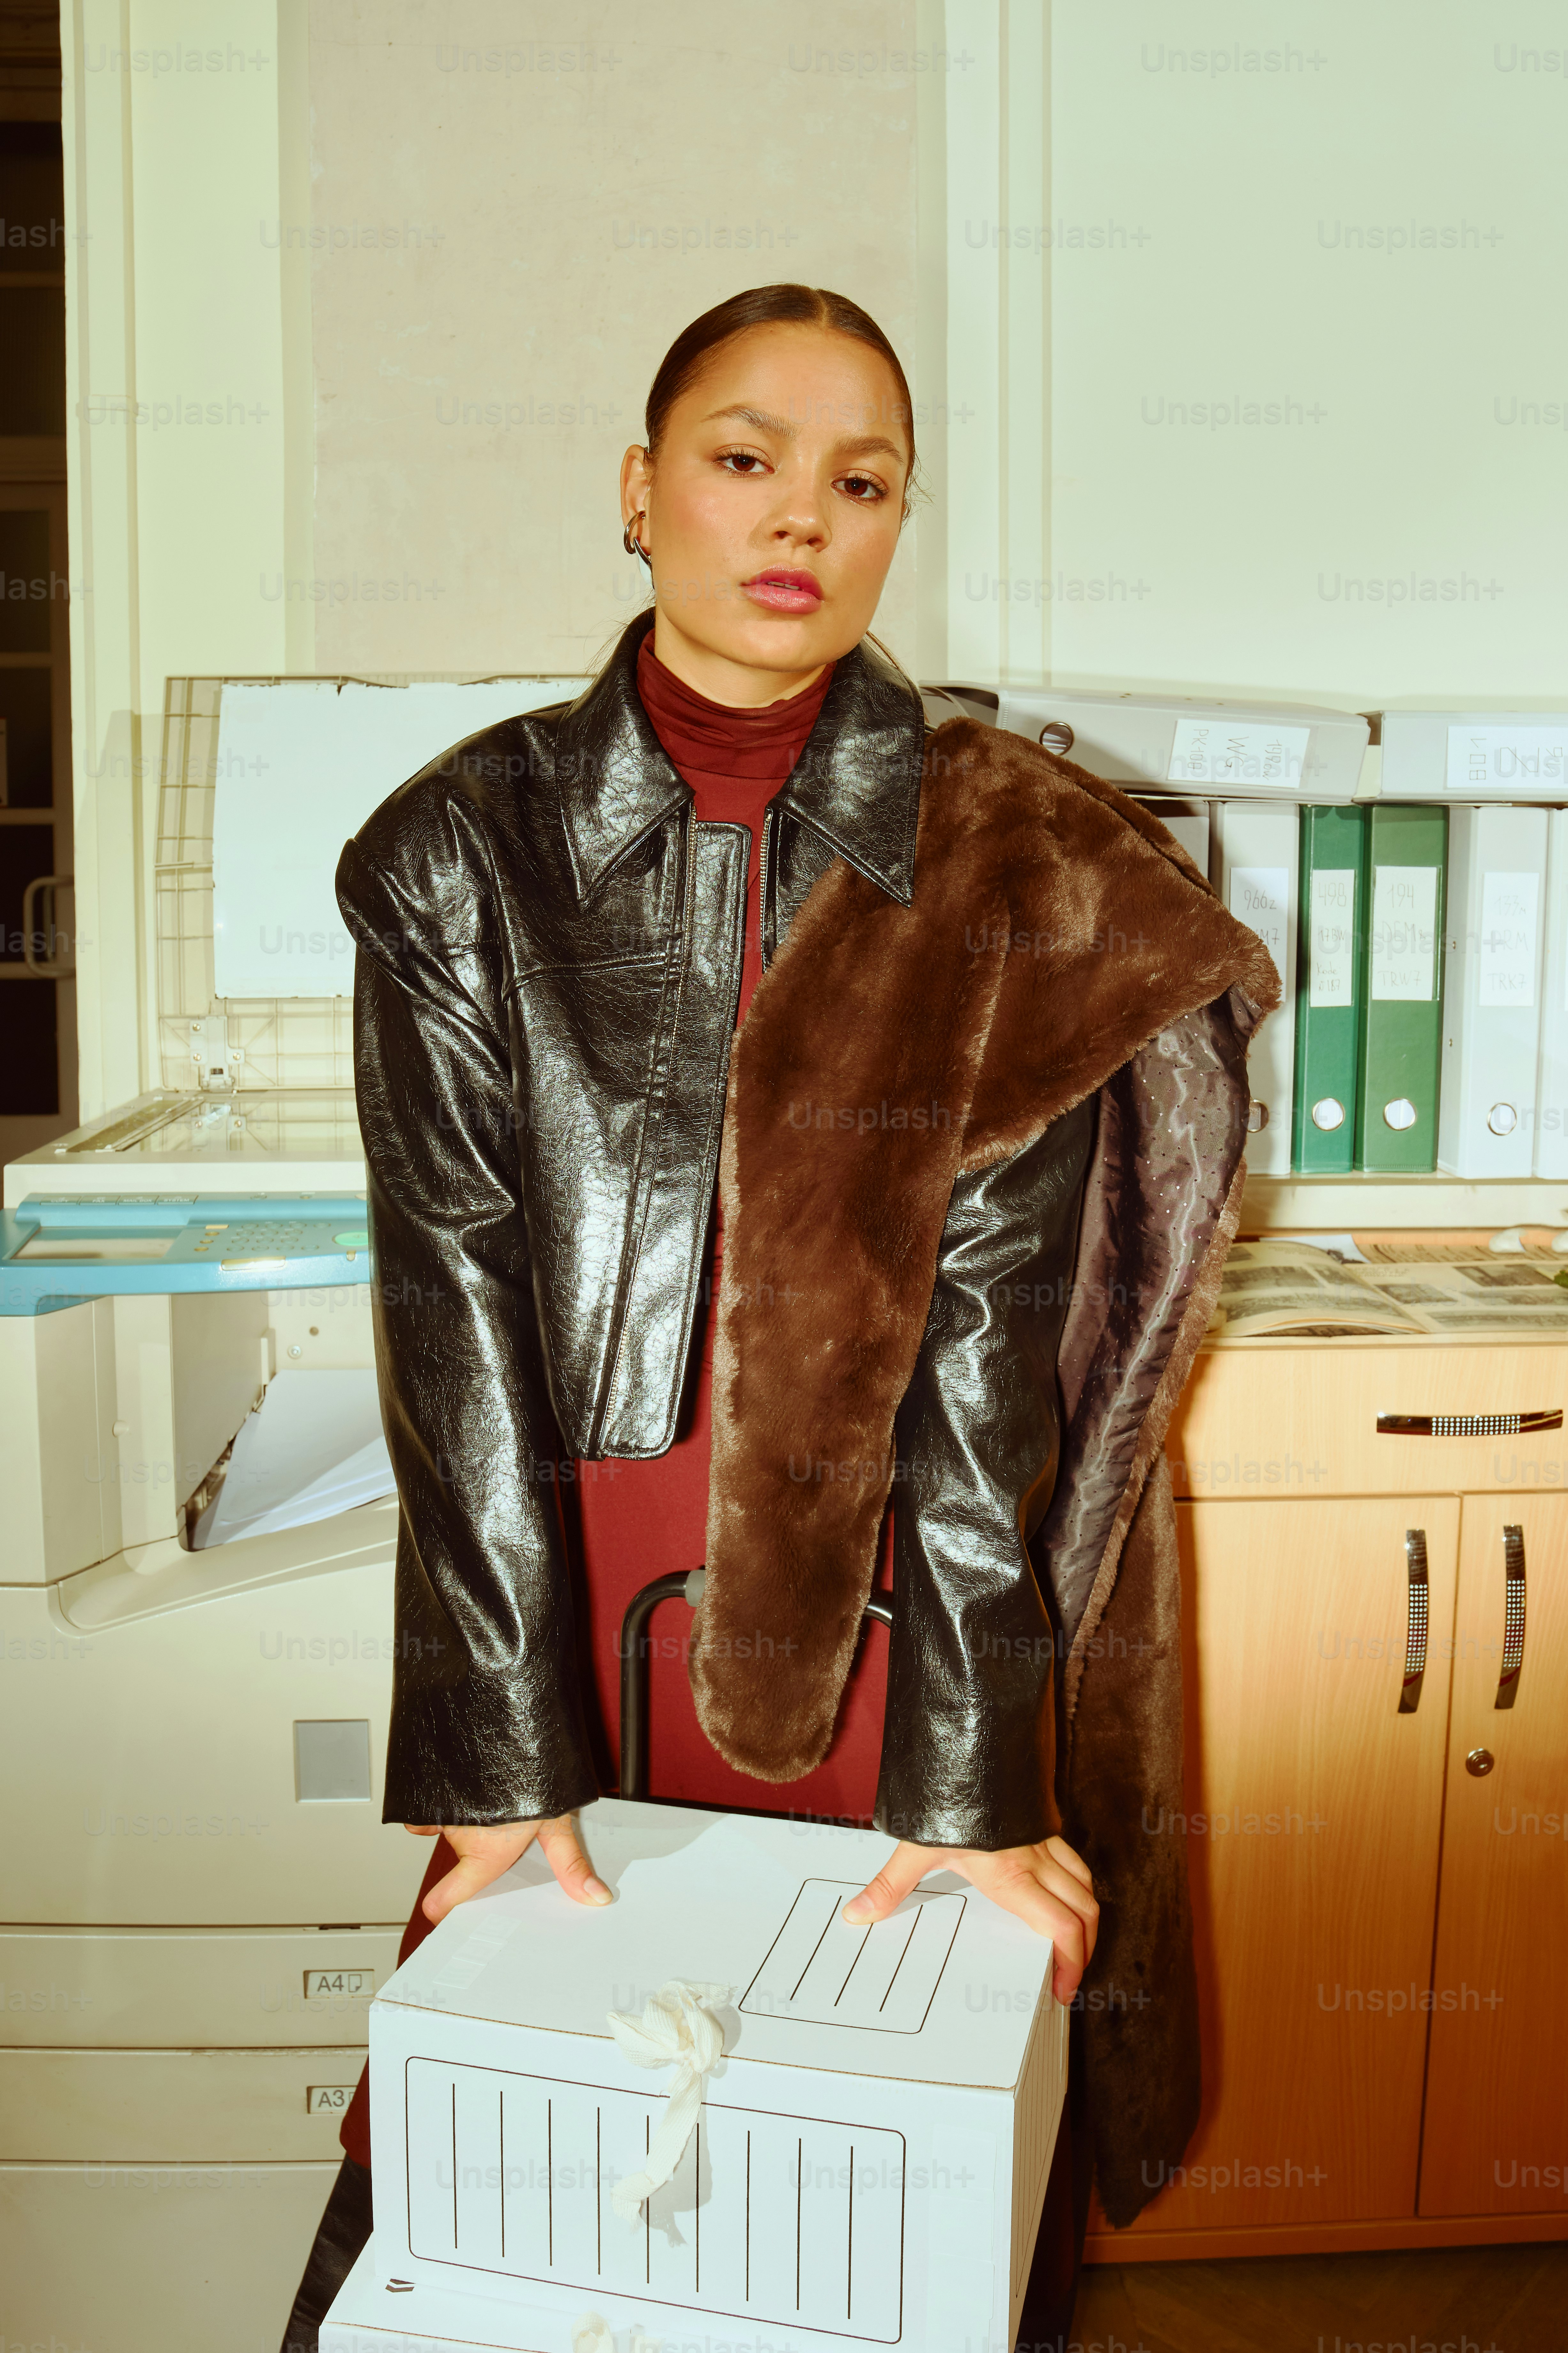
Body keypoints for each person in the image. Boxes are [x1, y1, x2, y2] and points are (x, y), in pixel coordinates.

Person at [281, 283, 1276, 2353]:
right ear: (639, 496)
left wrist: (973, 1779)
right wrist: (498, 1765)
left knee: (873, 2211)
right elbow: (451, 1321)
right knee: (522, 2194)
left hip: (897, 1614)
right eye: (744, 459)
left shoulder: (1007, 851)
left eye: (863, 479)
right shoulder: (463, 851)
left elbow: (990, 1371)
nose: (799, 516)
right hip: (579, 1601)